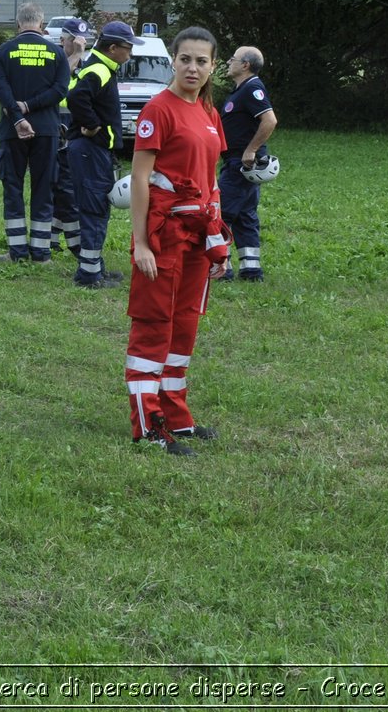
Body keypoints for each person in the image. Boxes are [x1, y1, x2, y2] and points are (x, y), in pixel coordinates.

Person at [126, 27, 231, 457]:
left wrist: (217, 240)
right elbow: (139, 177)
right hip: (164, 236)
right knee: (155, 325)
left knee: (185, 324)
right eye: (185, 59)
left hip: (197, 239)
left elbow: (211, 182)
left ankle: (175, 416)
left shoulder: (209, 113)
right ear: (173, 60)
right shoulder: (159, 109)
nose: (193, 67)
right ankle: (147, 424)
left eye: (201, 61)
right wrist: (141, 244)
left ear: (212, 67)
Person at [0, 3, 70, 262]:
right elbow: (60, 90)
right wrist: (31, 106)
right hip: (47, 130)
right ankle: (41, 252)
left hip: (13, 132)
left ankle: (16, 251)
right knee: (43, 188)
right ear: (42, 24)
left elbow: (1, 90)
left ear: (17, 24)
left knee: (13, 188)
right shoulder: (57, 53)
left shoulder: (4, 51)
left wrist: (16, 116)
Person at [65, 21, 137, 287]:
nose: (130, 54)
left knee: (95, 208)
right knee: (95, 209)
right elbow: (75, 99)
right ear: (114, 48)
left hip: (93, 150)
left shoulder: (103, 66)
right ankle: (88, 276)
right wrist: (93, 126)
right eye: (128, 48)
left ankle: (94, 268)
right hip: (90, 150)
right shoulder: (99, 68)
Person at [218, 46, 278, 282]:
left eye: (232, 59)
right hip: (239, 163)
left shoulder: (252, 87)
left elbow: (270, 119)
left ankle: (222, 268)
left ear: (245, 65)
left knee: (221, 214)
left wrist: (250, 150)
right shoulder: (241, 90)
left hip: (240, 164)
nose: (228, 62)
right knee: (245, 216)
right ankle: (251, 271)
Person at [51, 18, 95, 258]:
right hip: (56, 128)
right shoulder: (58, 60)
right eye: (73, 40)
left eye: (83, 40)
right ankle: (75, 243)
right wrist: (76, 55)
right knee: (60, 185)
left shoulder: (87, 64)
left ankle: (51, 236)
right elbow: (57, 82)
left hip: (76, 131)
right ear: (62, 40)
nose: (79, 44)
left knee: (67, 185)